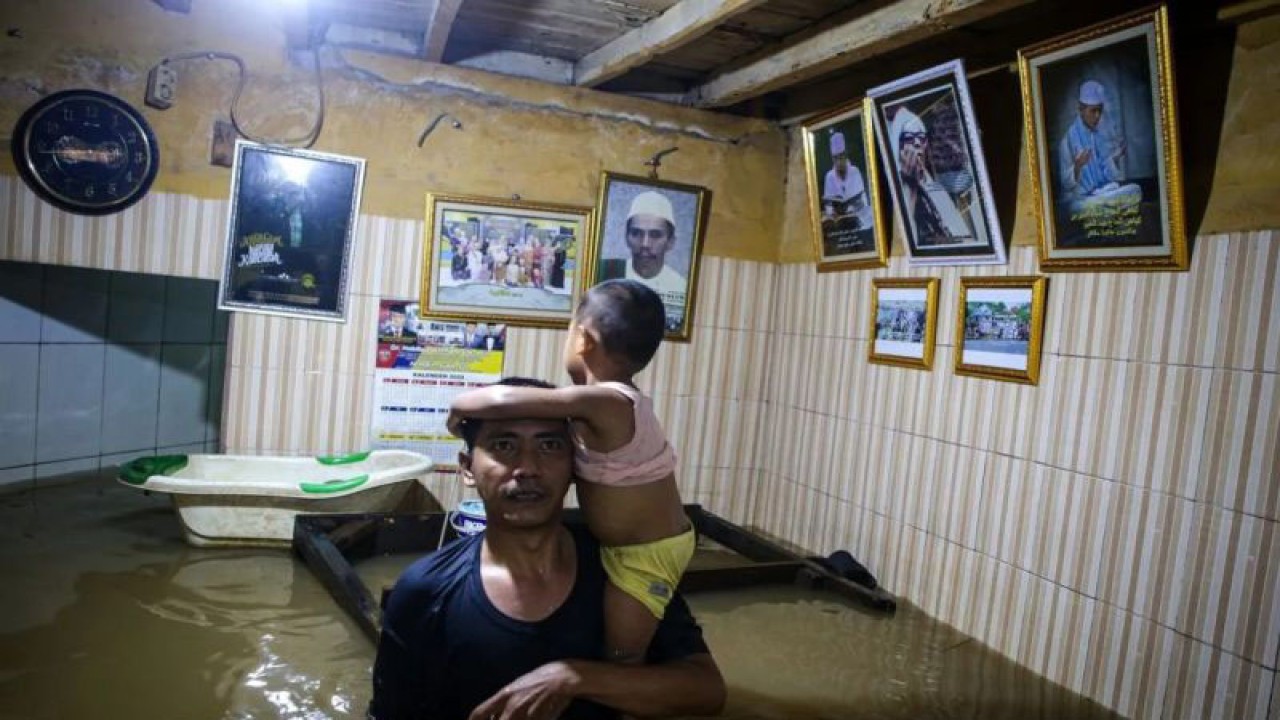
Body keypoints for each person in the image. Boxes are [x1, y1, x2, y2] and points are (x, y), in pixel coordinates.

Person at [371, 377, 725, 720]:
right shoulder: (425, 591)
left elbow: (706, 690)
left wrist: (574, 677)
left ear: (575, 465)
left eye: (549, 446)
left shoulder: (621, 570)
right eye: (504, 446)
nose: (528, 468)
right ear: (468, 469)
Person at [447, 280, 692, 666]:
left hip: (644, 557)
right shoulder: (604, 407)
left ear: (582, 340)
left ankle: (625, 702)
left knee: (622, 655)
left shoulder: (609, 402)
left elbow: (506, 398)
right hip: (630, 546)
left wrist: (461, 406)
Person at [598, 192, 686, 332]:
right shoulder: (605, 273)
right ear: (627, 237)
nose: (645, 244)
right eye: (636, 233)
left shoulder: (680, 286)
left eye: (655, 235)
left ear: (670, 242)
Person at [1056, 79, 1142, 216]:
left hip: (1100, 194)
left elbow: (1105, 176)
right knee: (1076, 207)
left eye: (1100, 111)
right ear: (1081, 109)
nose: (1097, 116)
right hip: (1079, 200)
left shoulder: (1096, 136)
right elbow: (1067, 185)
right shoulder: (1067, 141)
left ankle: (1106, 209)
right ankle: (1107, 208)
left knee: (1135, 190)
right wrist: (1077, 166)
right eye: (1093, 111)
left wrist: (1115, 157)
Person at [891, 107, 974, 246]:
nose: (917, 143)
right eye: (909, 139)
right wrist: (911, 187)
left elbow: (965, 240)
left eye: (921, 138)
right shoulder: (899, 189)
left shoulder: (935, 188)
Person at [821, 131, 870, 227]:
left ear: (845, 155)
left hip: (857, 217)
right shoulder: (829, 176)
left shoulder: (855, 171)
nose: (839, 162)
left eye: (841, 157)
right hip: (839, 221)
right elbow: (828, 204)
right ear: (832, 159)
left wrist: (860, 203)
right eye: (836, 158)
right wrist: (832, 211)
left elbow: (863, 197)